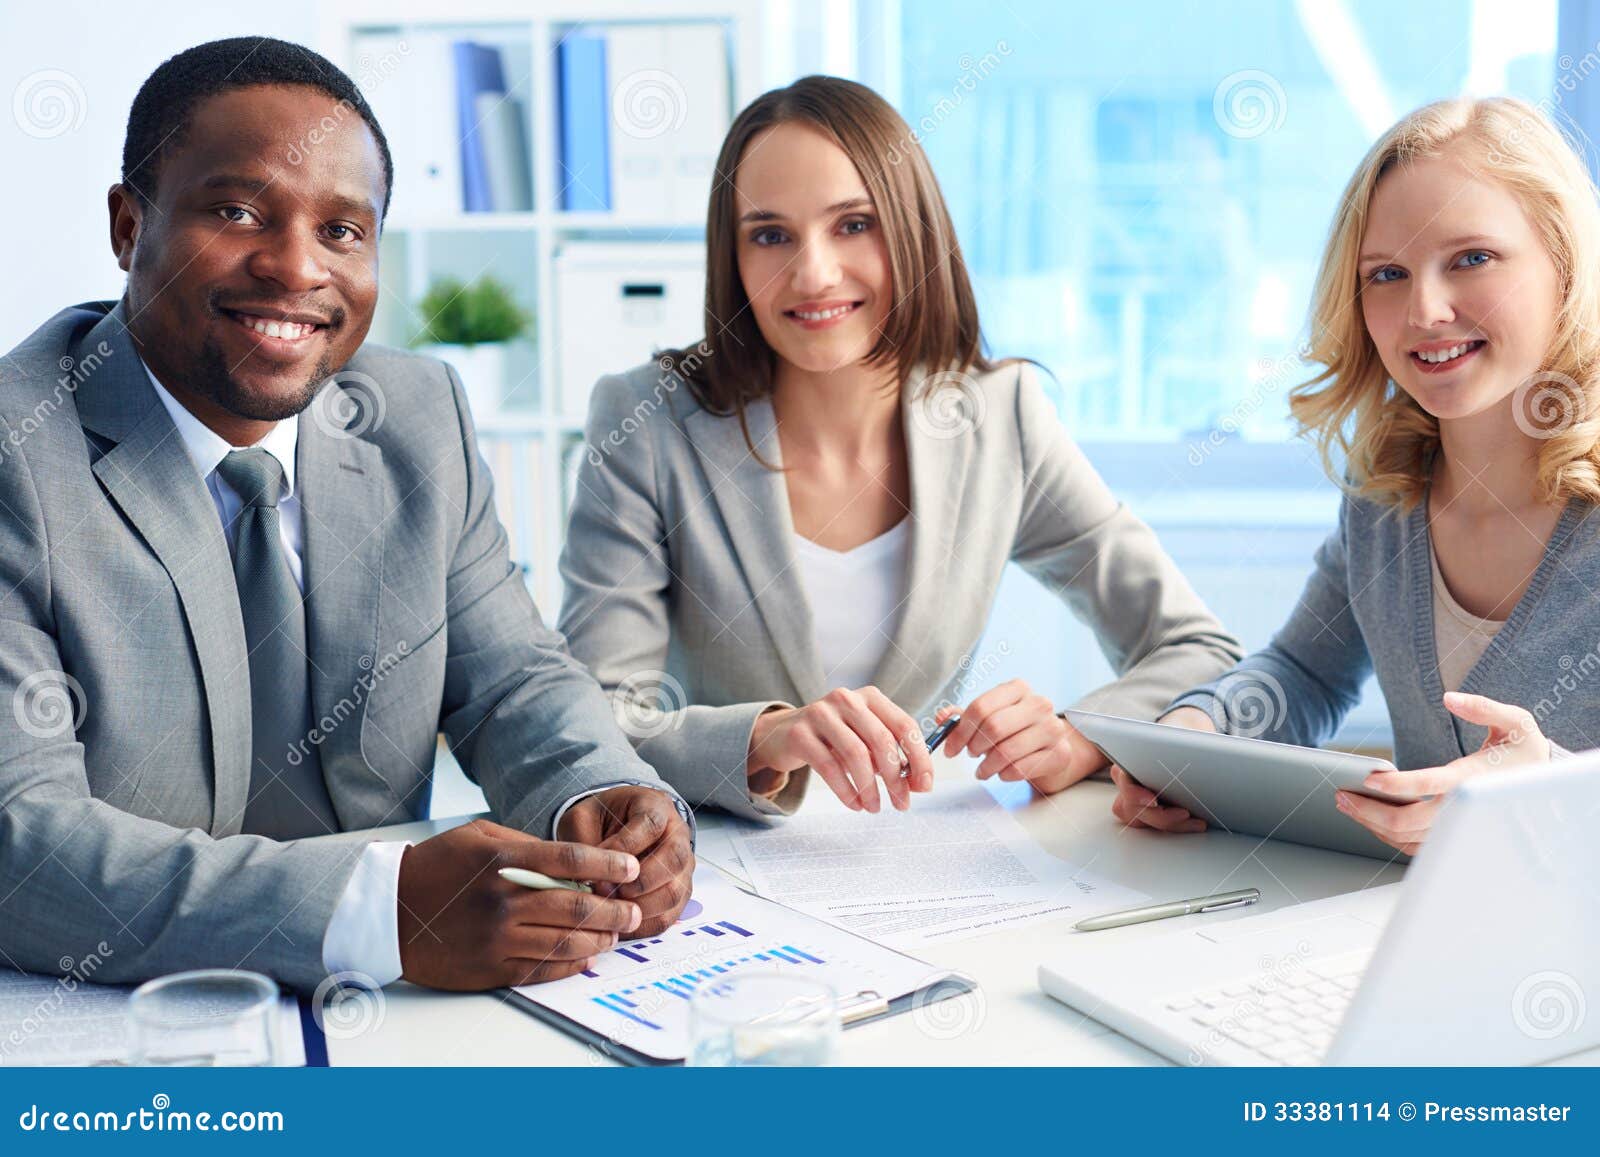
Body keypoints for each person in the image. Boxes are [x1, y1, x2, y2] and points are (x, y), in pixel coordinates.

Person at [0, 38, 693, 994]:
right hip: (119, 1024)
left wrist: (601, 790)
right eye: (236, 211)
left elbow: (512, 681)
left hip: (408, 1015)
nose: (295, 268)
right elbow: (22, 844)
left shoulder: (417, 415)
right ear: (129, 227)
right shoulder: (18, 453)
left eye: (342, 230)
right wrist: (379, 911)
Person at [558, 76, 1242, 822]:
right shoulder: (647, 423)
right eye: (770, 234)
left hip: (916, 863)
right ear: (733, 257)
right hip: (719, 872)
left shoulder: (997, 417)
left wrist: (1078, 738)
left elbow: (1198, 648)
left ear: (912, 229)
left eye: (853, 224)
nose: (813, 273)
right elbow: (591, 722)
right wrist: (765, 737)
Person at [1113, 97, 1600, 856]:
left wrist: (1544, 790)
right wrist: (1193, 734)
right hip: (1427, 932)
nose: (1425, 310)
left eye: (1472, 258)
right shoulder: (1385, 495)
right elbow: (1304, 671)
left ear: (1564, 265)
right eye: (1388, 274)